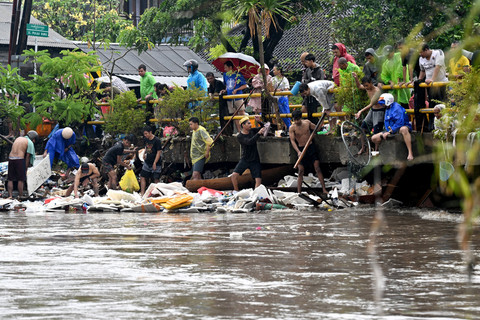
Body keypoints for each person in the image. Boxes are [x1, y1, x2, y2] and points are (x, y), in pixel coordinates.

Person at [289, 110, 327, 194]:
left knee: (317, 167)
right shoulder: (292, 127)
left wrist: (323, 119)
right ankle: (299, 192)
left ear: (301, 117)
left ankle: (324, 189)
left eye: (297, 119)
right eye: (294, 120)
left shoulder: (307, 123)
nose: (296, 121)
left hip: (310, 147)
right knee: (301, 170)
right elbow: (292, 141)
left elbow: (317, 128)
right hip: (301, 149)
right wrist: (298, 151)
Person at [416, 43, 449, 131]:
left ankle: (445, 125)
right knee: (432, 105)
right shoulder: (421, 59)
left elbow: (437, 67)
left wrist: (432, 79)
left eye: (421, 52)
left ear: (427, 50)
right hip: (430, 85)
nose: (420, 54)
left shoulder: (438, 53)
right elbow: (422, 71)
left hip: (441, 83)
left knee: (442, 104)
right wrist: (418, 80)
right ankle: (432, 126)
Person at [371, 93, 414, 161]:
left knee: (404, 129)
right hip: (389, 130)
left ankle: (410, 153)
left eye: (383, 102)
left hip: (399, 127)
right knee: (374, 138)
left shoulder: (397, 108)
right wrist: (387, 131)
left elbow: (400, 122)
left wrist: (391, 131)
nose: (381, 104)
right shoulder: (387, 108)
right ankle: (378, 152)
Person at [231, 116, 266, 191]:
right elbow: (249, 142)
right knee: (234, 176)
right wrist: (258, 134)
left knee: (258, 179)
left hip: (254, 159)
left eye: (250, 123)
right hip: (245, 159)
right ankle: (236, 191)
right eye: (248, 123)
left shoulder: (252, 131)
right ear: (243, 125)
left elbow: (264, 127)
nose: (250, 125)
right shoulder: (240, 136)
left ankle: (255, 194)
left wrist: (259, 121)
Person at [7, 130, 38, 199]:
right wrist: (25, 169)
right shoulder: (29, 142)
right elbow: (28, 157)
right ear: (33, 139)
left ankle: (10, 196)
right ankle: (20, 196)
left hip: (11, 158)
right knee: (21, 179)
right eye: (34, 140)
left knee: (10, 179)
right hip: (19, 159)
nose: (34, 142)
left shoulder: (18, 138)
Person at [221, 60, 248, 132]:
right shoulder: (225, 75)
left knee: (241, 112)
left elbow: (245, 85)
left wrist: (237, 89)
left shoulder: (238, 74)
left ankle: (245, 129)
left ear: (230, 67)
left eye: (226, 67)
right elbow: (226, 85)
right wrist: (225, 90)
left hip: (238, 97)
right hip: (230, 97)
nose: (225, 69)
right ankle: (239, 131)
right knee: (234, 114)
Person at [140, 126, 162, 195]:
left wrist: (155, 162)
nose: (145, 135)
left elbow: (159, 152)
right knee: (142, 176)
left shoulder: (157, 140)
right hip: (147, 161)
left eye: (146, 133)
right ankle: (142, 193)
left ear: (150, 132)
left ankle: (157, 194)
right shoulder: (146, 139)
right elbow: (146, 147)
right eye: (144, 134)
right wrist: (144, 153)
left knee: (156, 179)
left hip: (156, 162)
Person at [271, 65, 291, 129]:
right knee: (275, 115)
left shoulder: (284, 79)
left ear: (279, 71)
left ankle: (287, 128)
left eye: (274, 70)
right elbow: (270, 89)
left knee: (285, 115)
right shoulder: (272, 79)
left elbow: (286, 90)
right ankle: (277, 129)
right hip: (274, 99)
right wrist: (277, 90)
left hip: (283, 99)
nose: (273, 71)